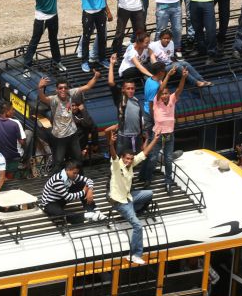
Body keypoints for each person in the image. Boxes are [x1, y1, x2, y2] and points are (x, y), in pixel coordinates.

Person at [108, 131, 161, 264]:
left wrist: (155, 139)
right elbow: (113, 155)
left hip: (129, 197)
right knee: (138, 226)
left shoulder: (131, 164)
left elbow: (144, 153)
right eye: (127, 158)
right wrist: (111, 143)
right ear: (122, 158)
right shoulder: (117, 165)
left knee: (149, 194)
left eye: (131, 159)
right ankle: (135, 254)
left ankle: (135, 211)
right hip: (120, 202)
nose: (129, 161)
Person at [38, 71, 101, 169]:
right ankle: (55, 181)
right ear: (56, 90)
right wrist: (40, 87)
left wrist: (96, 77)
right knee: (58, 161)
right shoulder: (54, 99)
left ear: (68, 89)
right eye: (60, 88)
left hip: (72, 134)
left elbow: (88, 86)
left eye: (65, 88)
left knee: (78, 159)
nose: (63, 90)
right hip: (59, 136)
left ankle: (80, 179)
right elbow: (43, 98)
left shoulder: (71, 94)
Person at [148, 66, 188, 194]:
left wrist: (183, 77)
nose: (164, 95)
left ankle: (168, 181)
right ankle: (148, 179)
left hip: (169, 134)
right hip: (157, 135)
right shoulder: (157, 101)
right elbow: (160, 89)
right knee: (153, 158)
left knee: (168, 159)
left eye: (166, 93)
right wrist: (168, 75)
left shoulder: (172, 99)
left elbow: (179, 89)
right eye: (163, 94)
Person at [24, 0, 66, 76]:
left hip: (53, 16)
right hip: (41, 17)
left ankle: (57, 61)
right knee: (34, 41)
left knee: (54, 40)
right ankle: (27, 66)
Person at [39, 160, 106, 224]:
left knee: (83, 185)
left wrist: (90, 191)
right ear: (67, 170)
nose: (76, 175)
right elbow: (67, 197)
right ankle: (87, 216)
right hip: (49, 203)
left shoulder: (72, 175)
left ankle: (93, 209)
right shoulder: (58, 179)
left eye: (77, 173)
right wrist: (83, 192)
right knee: (58, 214)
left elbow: (89, 180)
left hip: (61, 198)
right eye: (74, 173)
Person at [107, 54, 146, 155]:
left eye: (132, 88)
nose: (130, 90)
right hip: (123, 137)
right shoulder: (120, 98)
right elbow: (111, 82)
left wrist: (142, 136)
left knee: (136, 160)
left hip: (137, 137)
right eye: (128, 88)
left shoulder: (136, 101)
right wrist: (111, 64)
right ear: (123, 89)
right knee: (122, 161)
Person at [80, 0, 110, 72]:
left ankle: (102, 59)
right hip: (88, 12)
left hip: (100, 11)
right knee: (86, 37)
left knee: (102, 36)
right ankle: (84, 61)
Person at [0, 102, 26, 176]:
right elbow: (22, 142)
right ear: (6, 111)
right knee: (29, 134)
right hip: (14, 156)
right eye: (12, 110)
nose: (14, 111)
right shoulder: (16, 123)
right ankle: (24, 161)